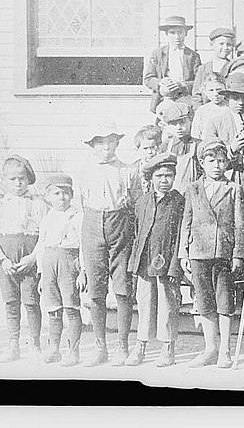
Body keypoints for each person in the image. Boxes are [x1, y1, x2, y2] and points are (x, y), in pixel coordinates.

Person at [179, 140, 244, 369]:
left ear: (227, 163)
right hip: (198, 252)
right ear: (201, 163)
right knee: (205, 301)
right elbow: (186, 222)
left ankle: (225, 351)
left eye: (221, 161)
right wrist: (183, 253)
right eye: (211, 161)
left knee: (224, 302)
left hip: (223, 253)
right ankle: (210, 348)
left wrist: (238, 253)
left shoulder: (234, 189)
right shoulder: (192, 189)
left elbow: (240, 225)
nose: (217, 165)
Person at [78, 126, 139, 366]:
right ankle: (99, 346)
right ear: (92, 146)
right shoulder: (84, 171)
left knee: (123, 288)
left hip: (120, 225)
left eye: (110, 142)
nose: (105, 147)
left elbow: (135, 202)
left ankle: (122, 345)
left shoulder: (128, 171)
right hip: (92, 224)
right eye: (100, 142)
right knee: (96, 290)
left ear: (117, 144)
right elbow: (81, 206)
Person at [0, 155, 48, 363]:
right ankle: (13, 345)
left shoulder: (38, 205)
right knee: (11, 303)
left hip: (29, 260)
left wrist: (33, 258)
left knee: (31, 302)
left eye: (22, 178)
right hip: (7, 263)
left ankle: (34, 344)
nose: (18, 183)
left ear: (28, 179)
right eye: (12, 179)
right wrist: (1, 261)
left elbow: (45, 236)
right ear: (4, 180)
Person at [125, 153, 185, 368]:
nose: (164, 180)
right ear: (151, 178)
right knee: (144, 304)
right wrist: (134, 262)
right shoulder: (142, 202)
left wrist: (176, 265)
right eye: (159, 176)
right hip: (144, 262)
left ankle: (168, 346)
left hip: (167, 263)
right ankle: (140, 345)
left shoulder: (179, 202)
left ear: (174, 177)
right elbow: (136, 233)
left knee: (167, 305)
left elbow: (181, 235)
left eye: (168, 175)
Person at [36, 173, 86, 366]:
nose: (61, 197)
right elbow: (41, 244)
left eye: (65, 193)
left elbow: (83, 245)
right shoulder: (48, 216)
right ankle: (54, 349)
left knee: (71, 307)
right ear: (48, 196)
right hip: (49, 263)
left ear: (71, 195)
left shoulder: (77, 215)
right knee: (53, 308)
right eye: (56, 193)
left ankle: (74, 352)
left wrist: (83, 271)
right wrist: (41, 274)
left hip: (69, 262)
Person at [199, 73, 244, 187]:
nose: (241, 102)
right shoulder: (215, 122)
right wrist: (232, 148)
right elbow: (208, 155)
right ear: (227, 98)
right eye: (236, 98)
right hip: (225, 180)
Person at [143, 16, 202, 113]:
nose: (177, 37)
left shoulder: (193, 56)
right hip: (163, 98)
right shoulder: (158, 54)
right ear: (167, 34)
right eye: (172, 33)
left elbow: (199, 81)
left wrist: (182, 85)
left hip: (184, 97)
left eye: (180, 32)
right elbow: (148, 79)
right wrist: (161, 83)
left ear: (185, 33)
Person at [157, 101, 198, 193]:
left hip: (192, 193)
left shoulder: (198, 145)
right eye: (174, 124)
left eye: (183, 122)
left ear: (191, 120)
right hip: (171, 194)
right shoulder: (166, 146)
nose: (178, 127)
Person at [191, 27, 236, 109]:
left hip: (226, 109)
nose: (225, 47)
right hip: (206, 111)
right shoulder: (203, 68)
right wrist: (199, 111)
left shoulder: (233, 67)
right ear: (212, 45)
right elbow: (196, 94)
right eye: (221, 44)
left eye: (229, 45)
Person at [190, 74, 228, 141]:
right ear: (205, 92)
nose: (216, 94)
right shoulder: (202, 111)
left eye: (219, 90)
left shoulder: (230, 108)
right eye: (211, 90)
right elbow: (196, 135)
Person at [132, 125, 163, 195]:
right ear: (137, 149)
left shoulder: (163, 168)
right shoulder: (133, 170)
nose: (149, 152)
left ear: (158, 147)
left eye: (152, 147)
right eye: (145, 148)